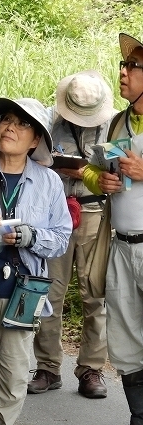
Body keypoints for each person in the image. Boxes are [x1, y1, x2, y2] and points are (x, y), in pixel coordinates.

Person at [0, 98, 71, 425]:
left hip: (23, 296)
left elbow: (61, 238)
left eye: (22, 124)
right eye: (7, 119)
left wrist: (29, 235)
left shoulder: (48, 182)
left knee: (13, 381)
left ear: (35, 140)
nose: (10, 127)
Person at [28, 71, 114, 399]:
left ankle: (91, 369)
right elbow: (33, 159)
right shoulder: (50, 122)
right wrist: (54, 166)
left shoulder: (114, 128)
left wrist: (91, 173)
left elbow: (124, 176)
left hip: (95, 213)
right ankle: (48, 367)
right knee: (48, 293)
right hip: (57, 212)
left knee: (95, 295)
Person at [83, 32, 143, 424]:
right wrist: (97, 181)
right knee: (126, 340)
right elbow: (92, 169)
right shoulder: (118, 122)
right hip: (120, 247)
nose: (122, 72)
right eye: (123, 66)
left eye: (132, 67)